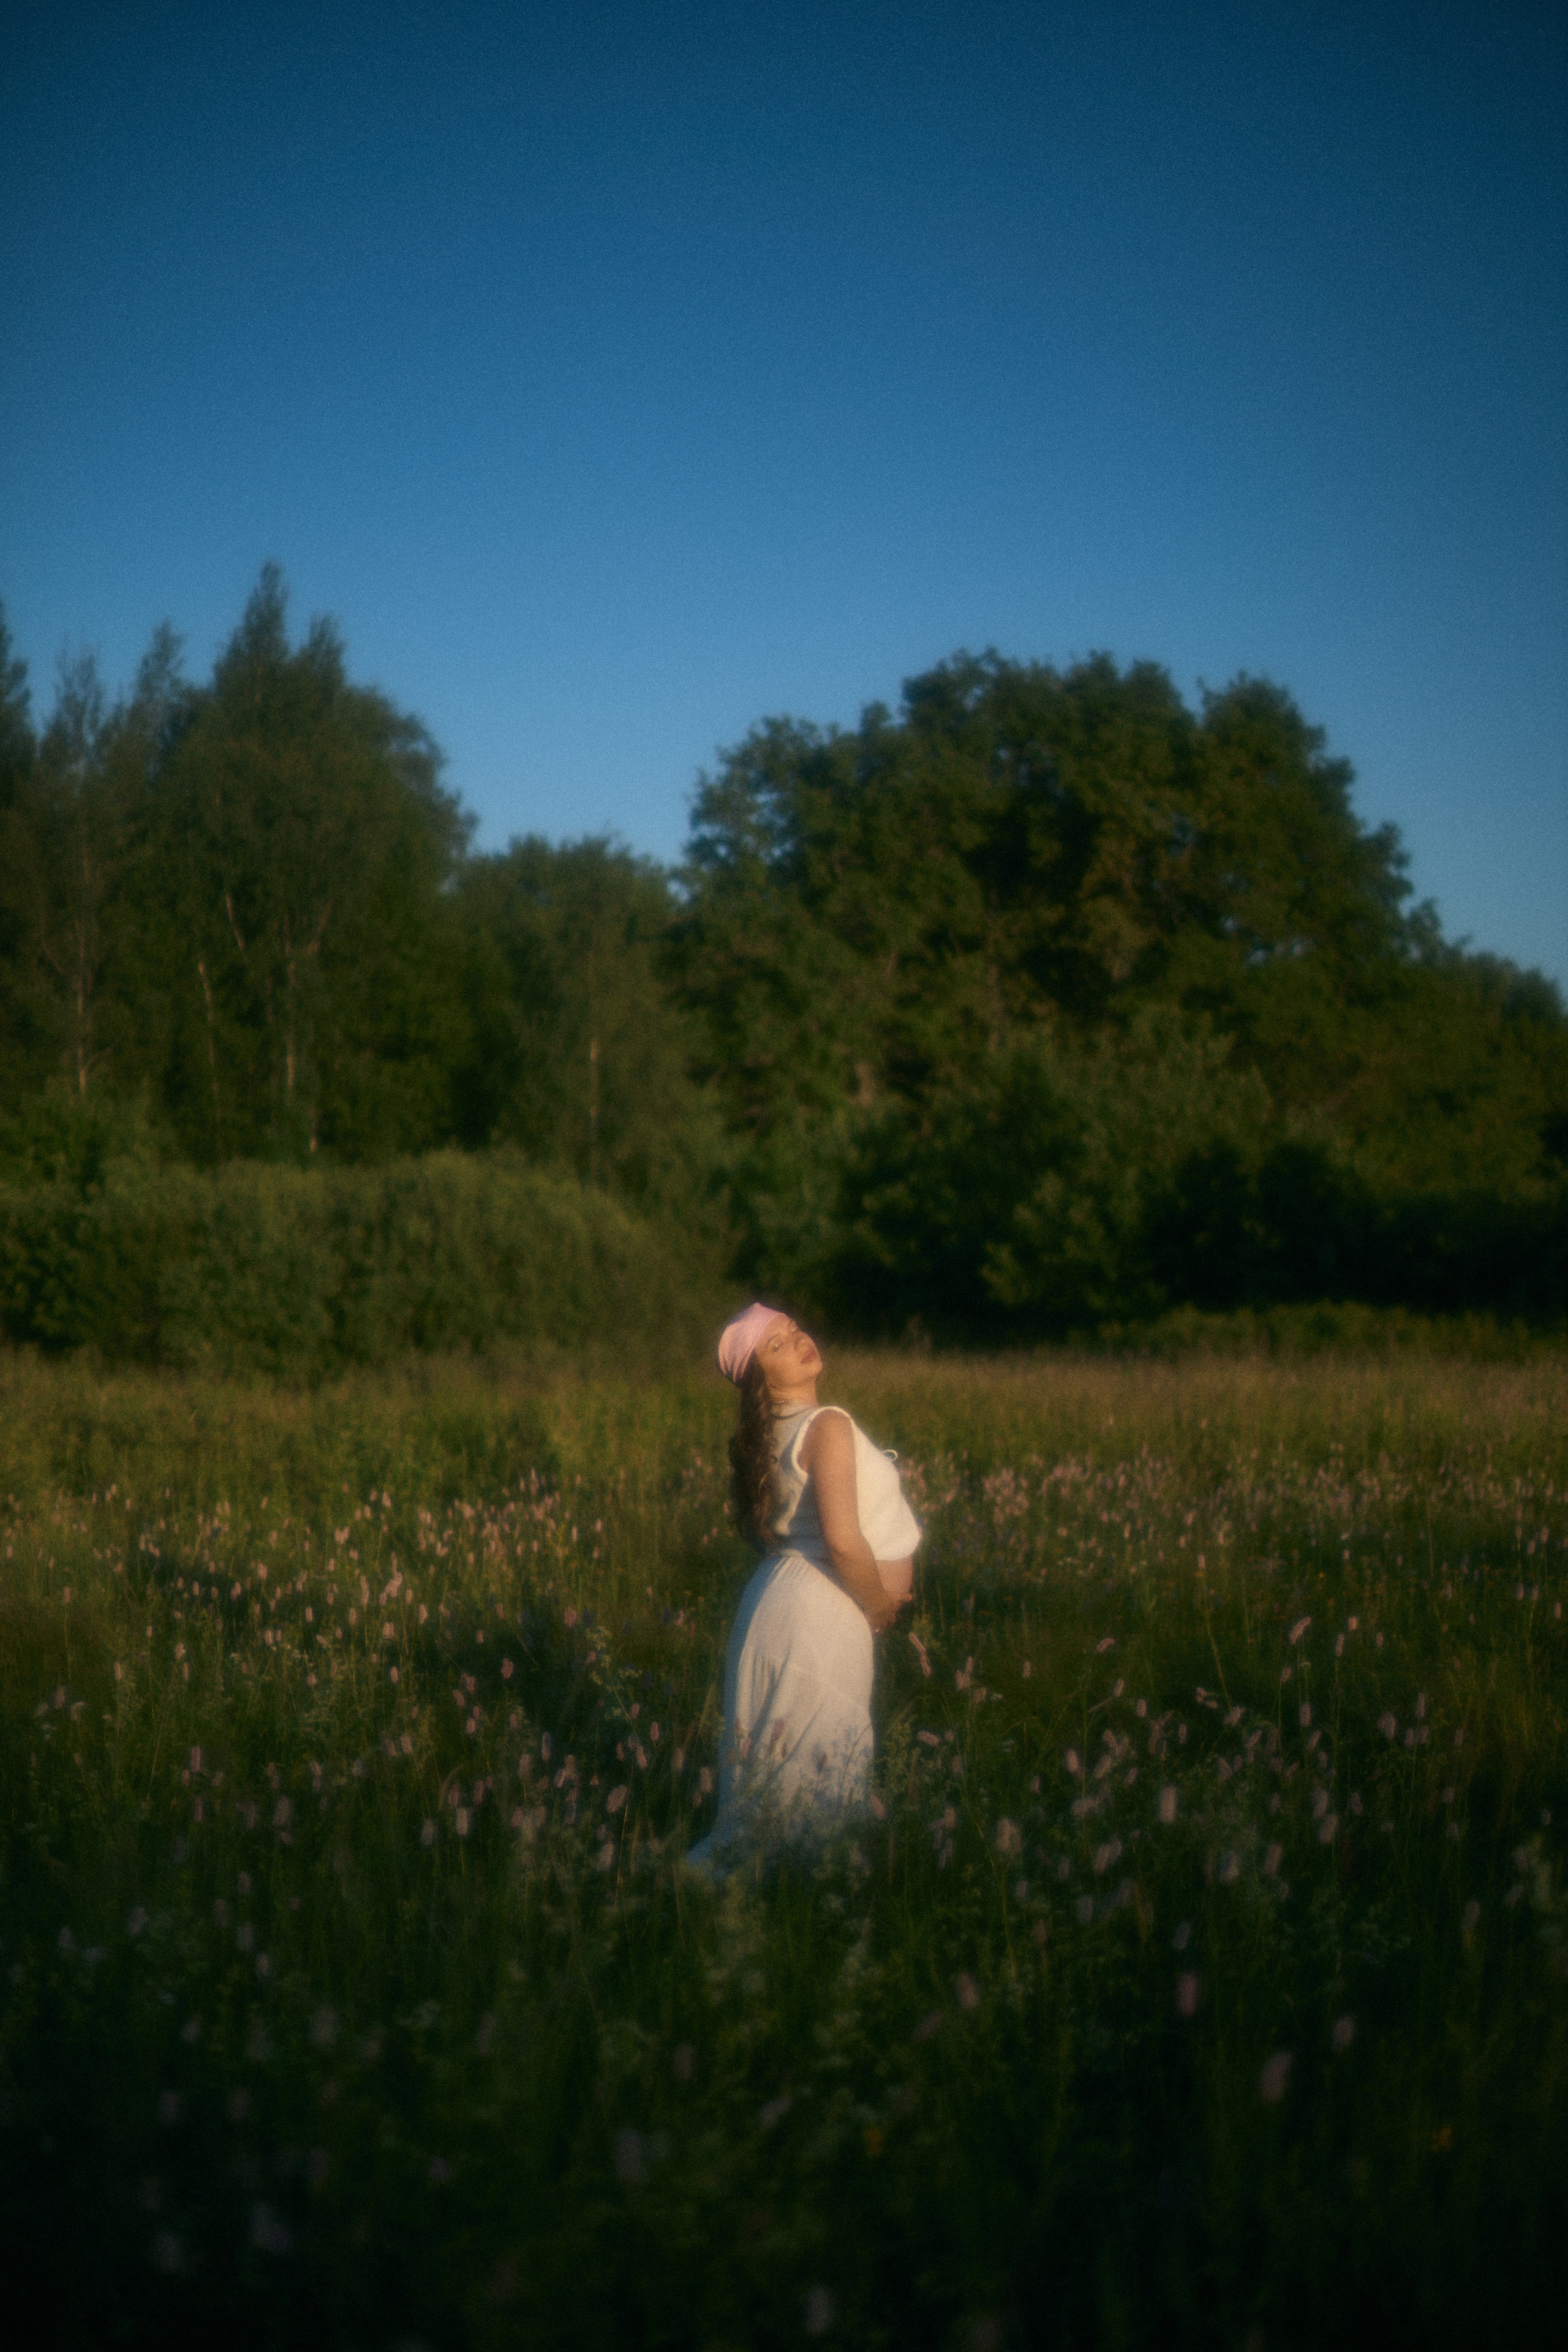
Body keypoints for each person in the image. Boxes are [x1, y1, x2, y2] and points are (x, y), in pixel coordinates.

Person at [686, 1302, 921, 1871]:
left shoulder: (770, 1435)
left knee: (772, 1769)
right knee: (817, 1767)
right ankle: (802, 1900)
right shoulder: (827, 1425)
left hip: (776, 1604)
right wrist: (882, 1608)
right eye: (777, 1345)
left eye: (793, 1331)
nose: (798, 1342)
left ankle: (742, 1897)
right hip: (825, 1612)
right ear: (760, 1378)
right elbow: (842, 1540)